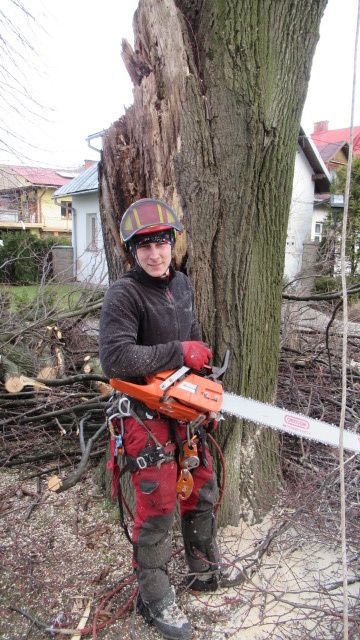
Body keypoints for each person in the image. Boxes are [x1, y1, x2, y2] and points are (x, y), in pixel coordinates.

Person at [99, 198, 221, 640]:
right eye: (144, 246)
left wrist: (205, 394)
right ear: (132, 250)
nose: (155, 253)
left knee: (202, 486)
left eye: (161, 242)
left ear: (173, 243)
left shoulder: (182, 285)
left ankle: (204, 566)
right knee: (158, 505)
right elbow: (115, 358)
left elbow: (191, 340)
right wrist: (177, 352)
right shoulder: (124, 294)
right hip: (143, 413)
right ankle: (154, 596)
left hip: (184, 407)